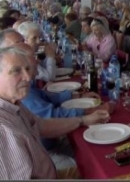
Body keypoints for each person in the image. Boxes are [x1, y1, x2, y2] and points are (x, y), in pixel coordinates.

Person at [0, 46, 110, 179]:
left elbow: (40, 125)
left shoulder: (13, 104)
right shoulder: (4, 129)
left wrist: (84, 120)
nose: (28, 77)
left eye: (28, 69)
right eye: (16, 71)